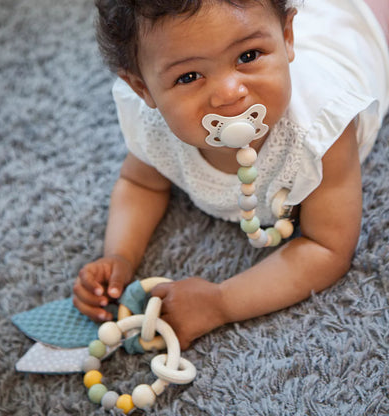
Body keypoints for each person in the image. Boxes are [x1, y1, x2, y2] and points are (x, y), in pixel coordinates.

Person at [73, 0, 389, 350]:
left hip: (360, 23)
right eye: (189, 77)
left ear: (287, 37)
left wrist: (220, 301)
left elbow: (327, 248)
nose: (228, 94)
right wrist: (120, 254)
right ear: (142, 88)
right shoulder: (154, 126)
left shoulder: (321, 129)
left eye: (249, 56)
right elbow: (140, 183)